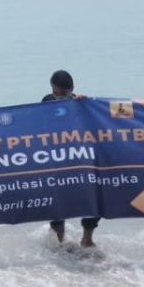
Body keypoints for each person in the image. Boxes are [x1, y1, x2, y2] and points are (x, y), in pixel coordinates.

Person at [42, 70, 99, 247]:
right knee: (57, 199)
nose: (57, 95)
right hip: (56, 160)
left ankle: (87, 238)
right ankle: (59, 240)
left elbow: (98, 125)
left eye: (62, 92)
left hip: (80, 159)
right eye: (55, 91)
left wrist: (85, 104)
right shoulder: (47, 101)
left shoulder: (81, 103)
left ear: (71, 89)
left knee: (92, 198)